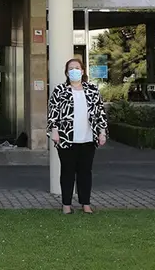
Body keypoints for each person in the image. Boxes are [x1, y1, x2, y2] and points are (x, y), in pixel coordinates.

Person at [47, 58, 108, 215]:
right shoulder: (60, 90)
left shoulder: (92, 90)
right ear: (67, 73)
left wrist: (102, 132)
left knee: (85, 172)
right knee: (67, 172)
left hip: (88, 139)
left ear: (82, 71)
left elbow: (100, 113)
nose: (74, 71)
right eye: (71, 69)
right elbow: (53, 113)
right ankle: (66, 204)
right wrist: (54, 131)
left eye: (77, 68)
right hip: (66, 139)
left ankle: (85, 204)